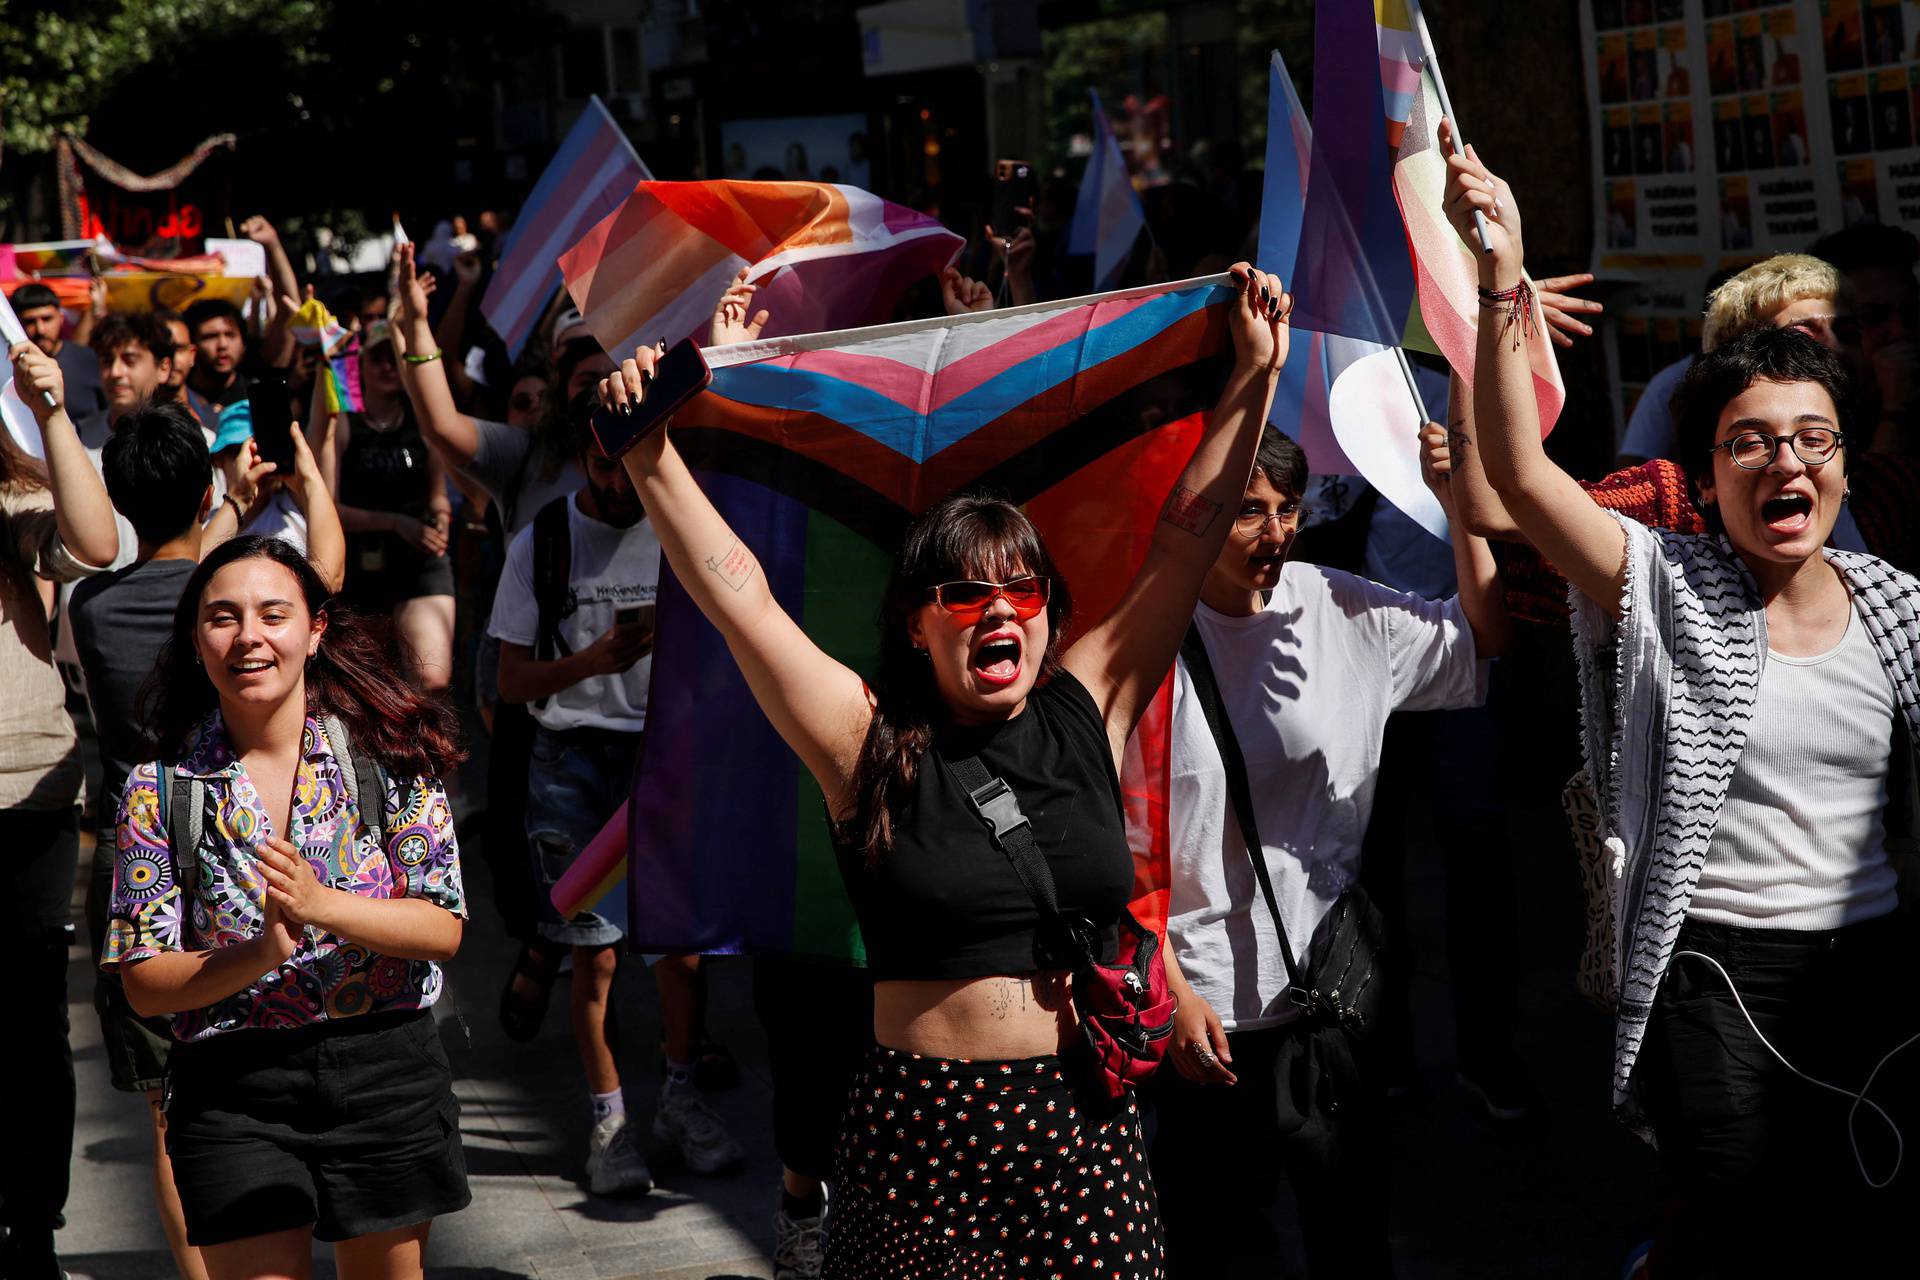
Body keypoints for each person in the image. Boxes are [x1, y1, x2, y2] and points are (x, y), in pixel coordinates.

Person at [599, 262, 1291, 1278]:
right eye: (965, 593)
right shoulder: (864, 739)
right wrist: (647, 451)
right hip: (919, 1138)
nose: (1000, 608)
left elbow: (1185, 536)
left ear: (1051, 610)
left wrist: (1254, 376)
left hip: (1085, 1132)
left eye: (1022, 588)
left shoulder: (1085, 705)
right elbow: (739, 594)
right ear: (917, 627)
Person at [1443, 126, 1920, 1275]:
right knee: (1738, 1230)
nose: (1785, 465)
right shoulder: (1664, 582)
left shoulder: (1899, 604)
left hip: (1875, 974)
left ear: (1845, 465)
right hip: (1719, 981)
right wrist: (1503, 277)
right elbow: (1516, 473)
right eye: (1749, 443)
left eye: (1812, 439)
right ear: (1706, 474)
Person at [1148, 423, 1510, 1277]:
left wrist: (1461, 504)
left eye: (1286, 509)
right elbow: (1111, 842)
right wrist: (1168, 981)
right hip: (1206, 1020)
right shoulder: (1146, 636)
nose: (1273, 531)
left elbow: (1484, 636)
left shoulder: (1344, 608)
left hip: (1330, 1005)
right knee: (1220, 1243)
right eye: (1245, 511)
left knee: (1350, 1239)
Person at [99, 534, 471, 1278]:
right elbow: (144, 981)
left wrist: (323, 904)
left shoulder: (389, 754)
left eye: (273, 614)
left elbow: (443, 927)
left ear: (315, 628)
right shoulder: (160, 786)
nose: (249, 638)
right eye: (223, 617)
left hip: (384, 1066)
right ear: (196, 639)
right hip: (232, 1089)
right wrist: (262, 952)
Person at [488, 389, 745, 1194]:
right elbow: (510, 680)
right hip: (572, 764)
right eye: (605, 465)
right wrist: (590, 664)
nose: (621, 483)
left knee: (681, 950)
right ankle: (609, 1123)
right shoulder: (546, 542)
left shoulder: (677, 527)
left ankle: (677, 1095)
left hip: (664, 759)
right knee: (594, 958)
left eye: (632, 466)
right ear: (578, 458)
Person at [0, 340, 121, 1280]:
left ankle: (32, 1226)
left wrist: (50, 413)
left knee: (32, 1023)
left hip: (28, 788)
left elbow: (96, 543)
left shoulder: (12, 492)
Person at [322, 319, 456, 691]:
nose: (386, 367)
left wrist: (442, 518)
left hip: (419, 558)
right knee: (373, 686)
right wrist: (395, 522)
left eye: (394, 359)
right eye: (377, 358)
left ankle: (430, 748)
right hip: (363, 566)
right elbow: (327, 508)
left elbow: (438, 493)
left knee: (431, 680)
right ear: (361, 364)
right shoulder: (345, 424)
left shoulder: (422, 422)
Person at [13, 281, 110, 448]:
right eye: (30, 321)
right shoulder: (9, 371)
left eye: (47, 319)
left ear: (60, 318)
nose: (40, 329)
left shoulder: (89, 360)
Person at [90, 312, 176, 428]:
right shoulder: (73, 438)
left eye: (130, 361)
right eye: (107, 361)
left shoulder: (196, 441)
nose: (115, 372)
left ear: (163, 368)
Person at [182, 298, 253, 422]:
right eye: (210, 337)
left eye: (230, 335)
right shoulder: (176, 399)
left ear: (243, 344)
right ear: (192, 346)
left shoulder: (254, 399)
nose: (222, 345)